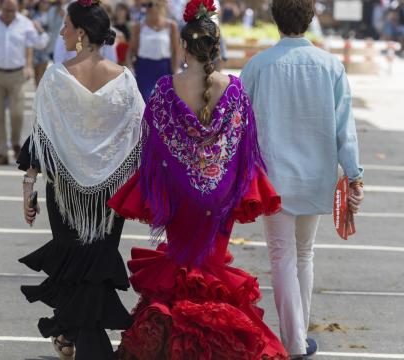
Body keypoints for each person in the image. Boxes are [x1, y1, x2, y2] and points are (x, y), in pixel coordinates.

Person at [108, 0, 287, 357]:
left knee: (181, 268)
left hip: (179, 194)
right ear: (215, 48)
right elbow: (243, 149)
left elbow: (153, 147)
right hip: (218, 197)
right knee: (211, 268)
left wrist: (173, 180)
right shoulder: (235, 91)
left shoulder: (163, 89)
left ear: (184, 46)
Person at [17, 0, 143, 358]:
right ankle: (75, 336)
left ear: (81, 34)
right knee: (93, 264)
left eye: (66, 26)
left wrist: (28, 191)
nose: (61, 33)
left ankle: (84, 341)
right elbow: (138, 137)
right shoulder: (124, 80)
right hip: (108, 197)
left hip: (66, 194)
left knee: (74, 263)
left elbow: (40, 139)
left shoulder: (56, 77)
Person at [240, 0, 364, 358]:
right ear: (310, 19)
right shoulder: (330, 65)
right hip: (316, 173)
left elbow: (239, 124)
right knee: (304, 254)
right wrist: (354, 174)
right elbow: (345, 128)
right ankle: (299, 338)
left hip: (271, 175)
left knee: (281, 256)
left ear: (274, 19)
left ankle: (292, 340)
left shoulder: (257, 66)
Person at [0, 0, 49, 165]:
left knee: (17, 113)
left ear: (17, 9)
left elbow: (41, 43)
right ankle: (2, 152)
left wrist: (40, 30)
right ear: (0, 8)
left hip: (16, 75)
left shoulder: (25, 24)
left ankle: (14, 142)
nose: (9, 14)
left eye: (13, 10)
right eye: (6, 10)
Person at [128, 0, 181, 102]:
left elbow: (176, 51)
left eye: (151, 4)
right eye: (146, 5)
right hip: (144, 68)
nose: (148, 7)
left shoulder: (171, 25)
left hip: (165, 68)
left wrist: (175, 70)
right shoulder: (138, 26)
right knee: (146, 101)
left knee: (165, 102)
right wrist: (131, 68)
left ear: (160, 4)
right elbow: (131, 50)